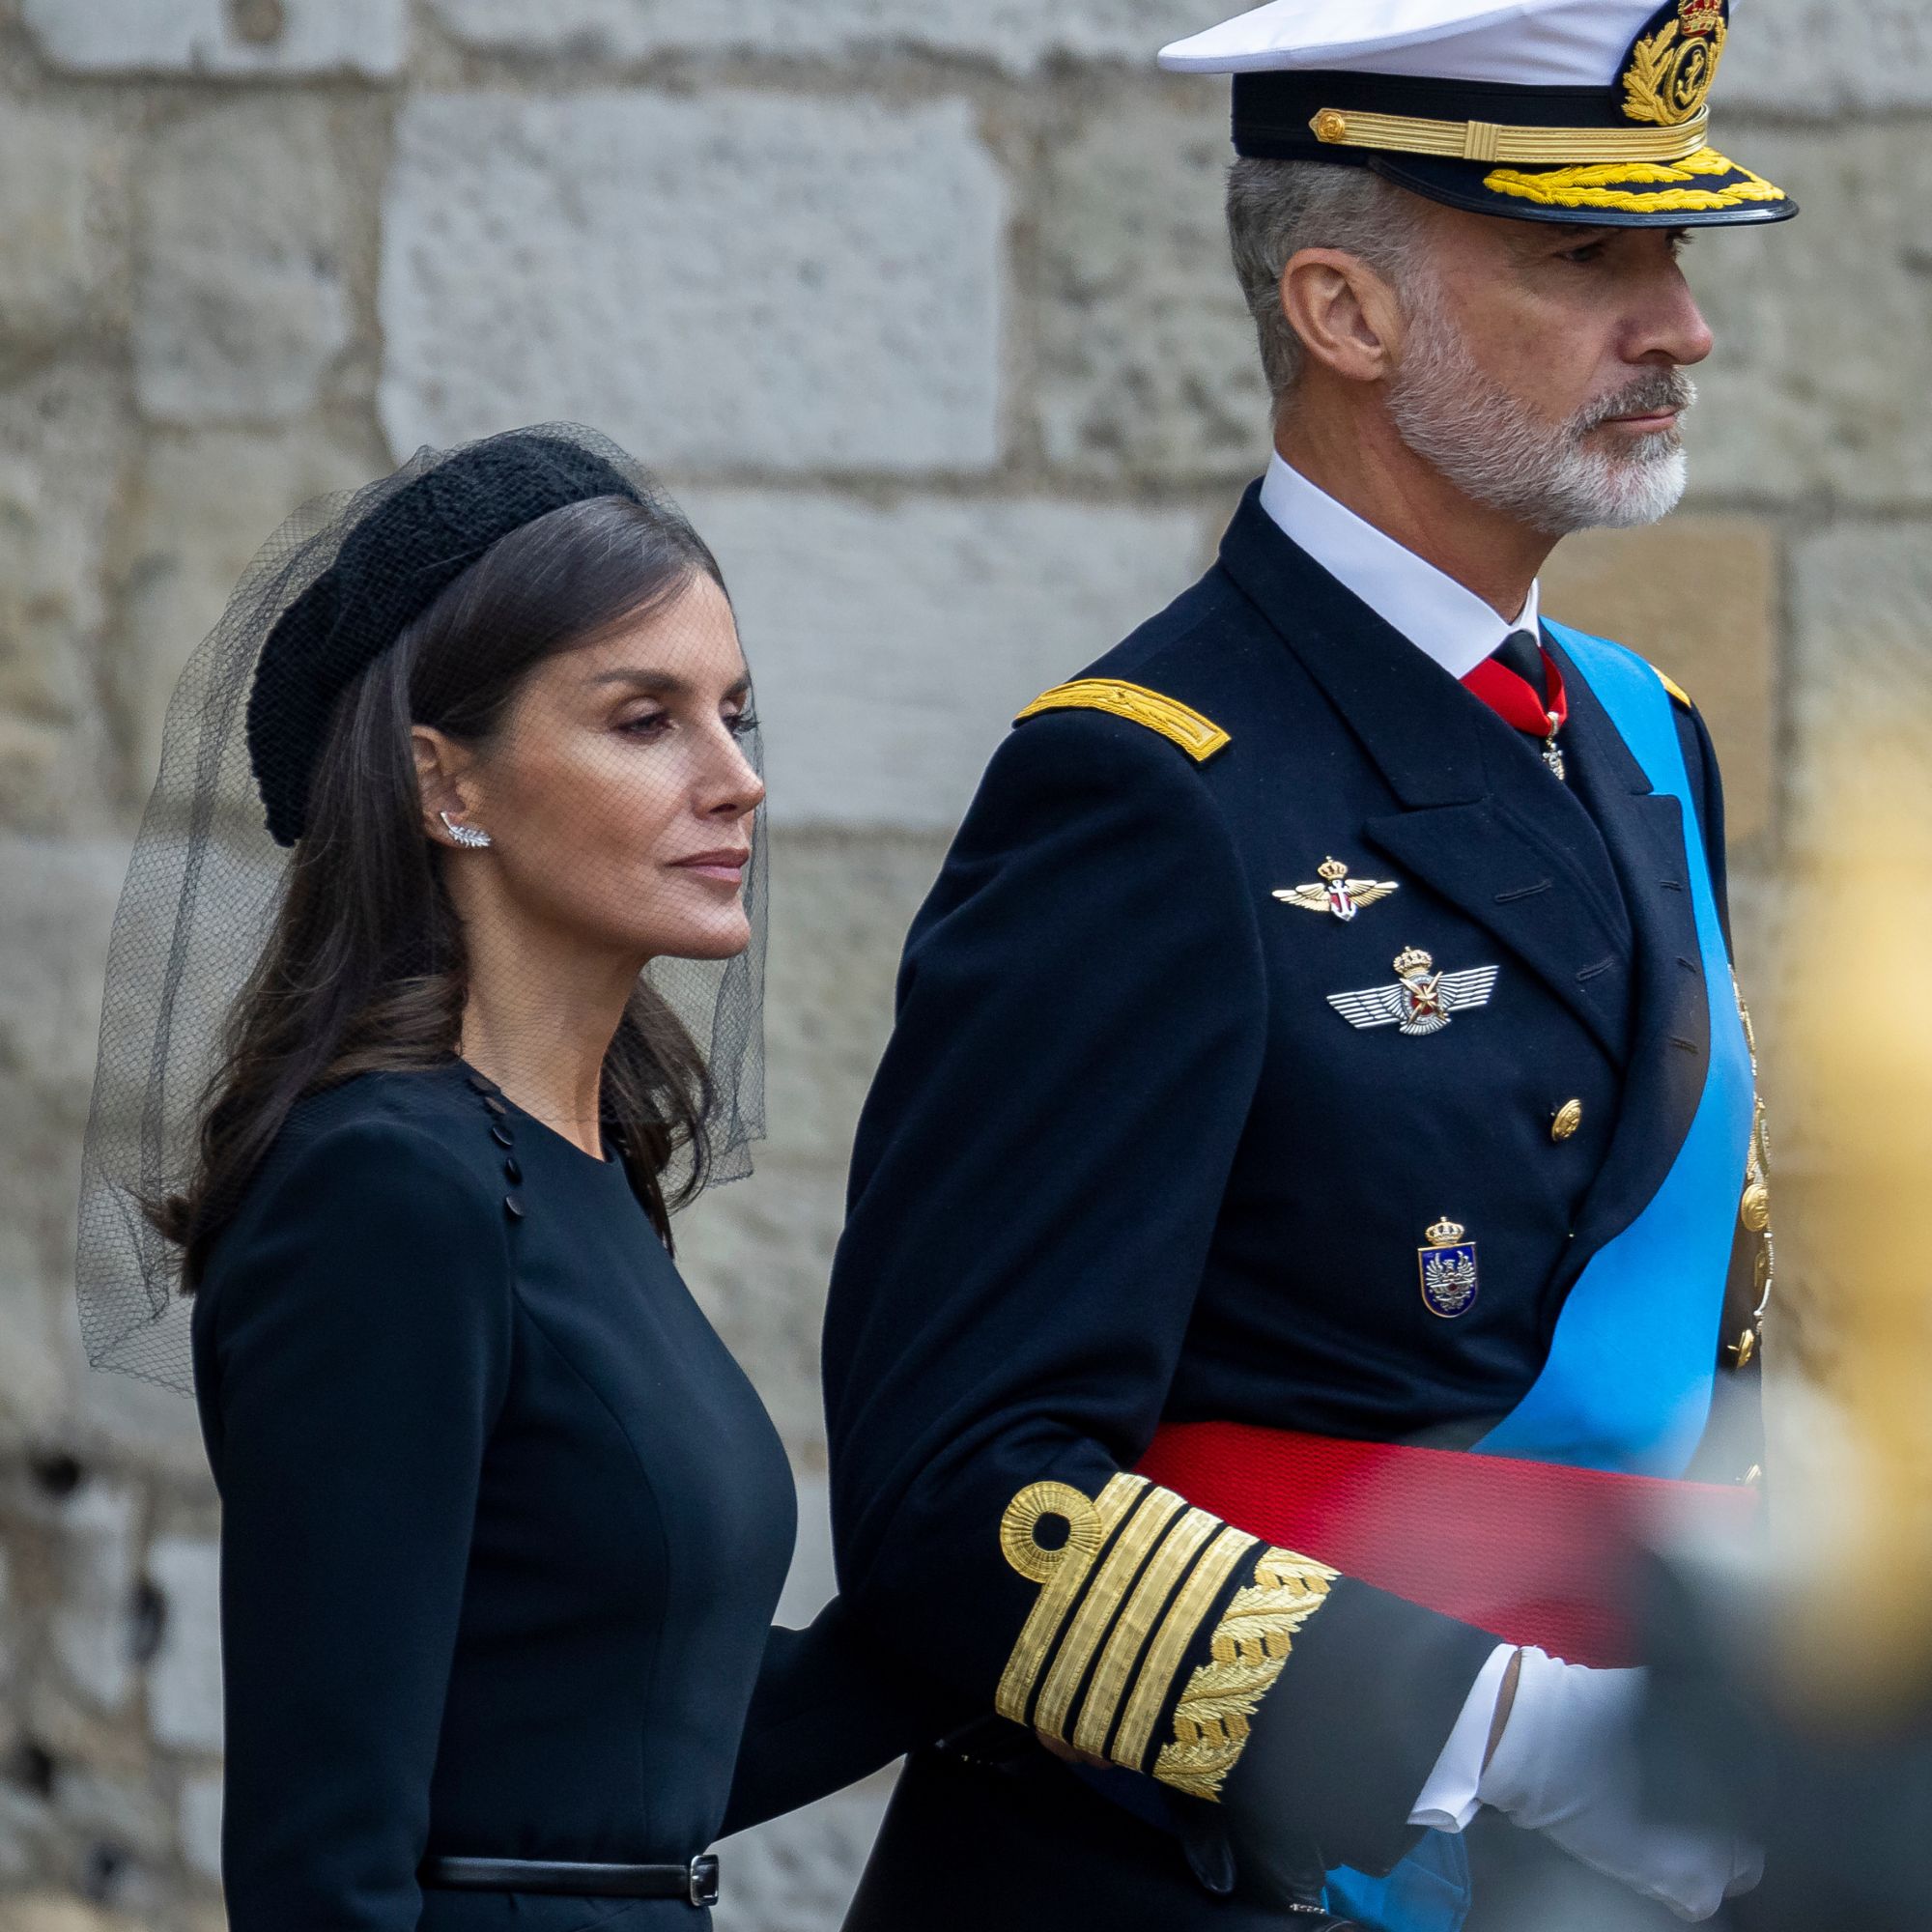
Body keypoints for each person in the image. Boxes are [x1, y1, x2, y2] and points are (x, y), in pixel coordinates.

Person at [820, 3, 1791, 1928]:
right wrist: (1493, 1726)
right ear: (1343, 313)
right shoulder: (1137, 790)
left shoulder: (1639, 726)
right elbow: (963, 1492)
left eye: (1673, 254)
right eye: (1587, 256)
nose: (1677, 323)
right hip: (1226, 1875)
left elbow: (1706, 1332)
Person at [74, 427, 940, 1927]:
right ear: (443, 780)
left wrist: (1003, 1606)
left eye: (737, 716)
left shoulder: (581, 1172)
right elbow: (321, 1865)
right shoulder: (384, 1190)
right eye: (645, 722)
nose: (736, 780)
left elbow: (614, 1750)